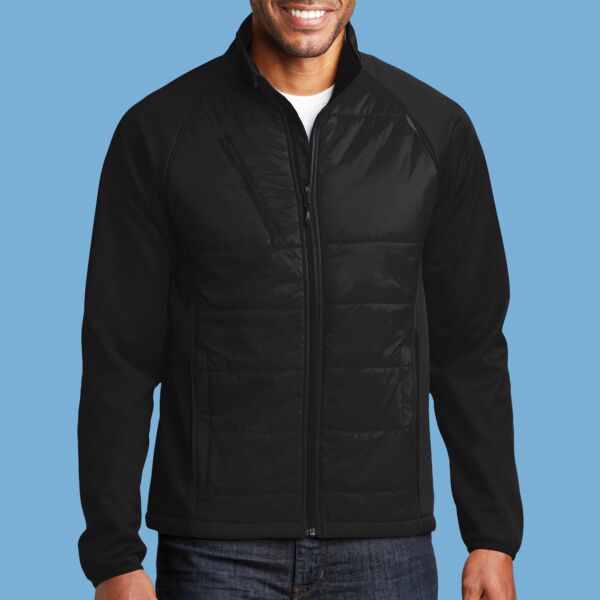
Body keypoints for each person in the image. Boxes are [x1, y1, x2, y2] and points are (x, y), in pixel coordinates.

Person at [77, 2, 524, 598]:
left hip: (384, 553)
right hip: (216, 555)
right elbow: (119, 356)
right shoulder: (160, 132)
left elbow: (470, 347)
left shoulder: (433, 129)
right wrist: (113, 555)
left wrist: (492, 534)